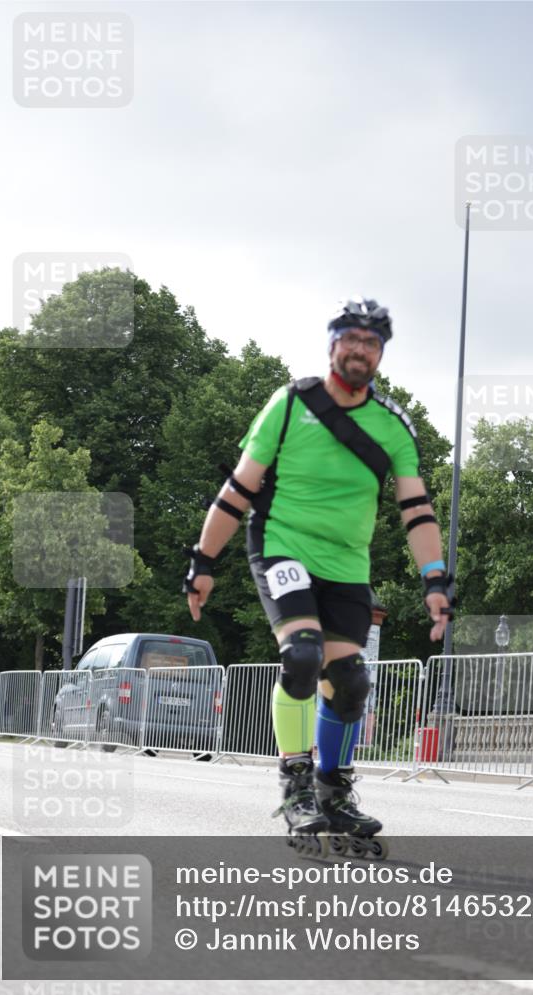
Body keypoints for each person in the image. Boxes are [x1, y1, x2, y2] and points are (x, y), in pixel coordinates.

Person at [184, 297, 453, 846]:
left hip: (347, 566)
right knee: (302, 654)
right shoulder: (288, 405)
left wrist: (434, 580)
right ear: (332, 344)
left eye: (371, 342)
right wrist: (203, 562)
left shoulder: (393, 427)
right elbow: (238, 490)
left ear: (380, 354)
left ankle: (334, 789)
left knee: (351, 683)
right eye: (350, 338)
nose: (360, 348)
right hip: (282, 547)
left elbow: (417, 510)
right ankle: (296, 785)